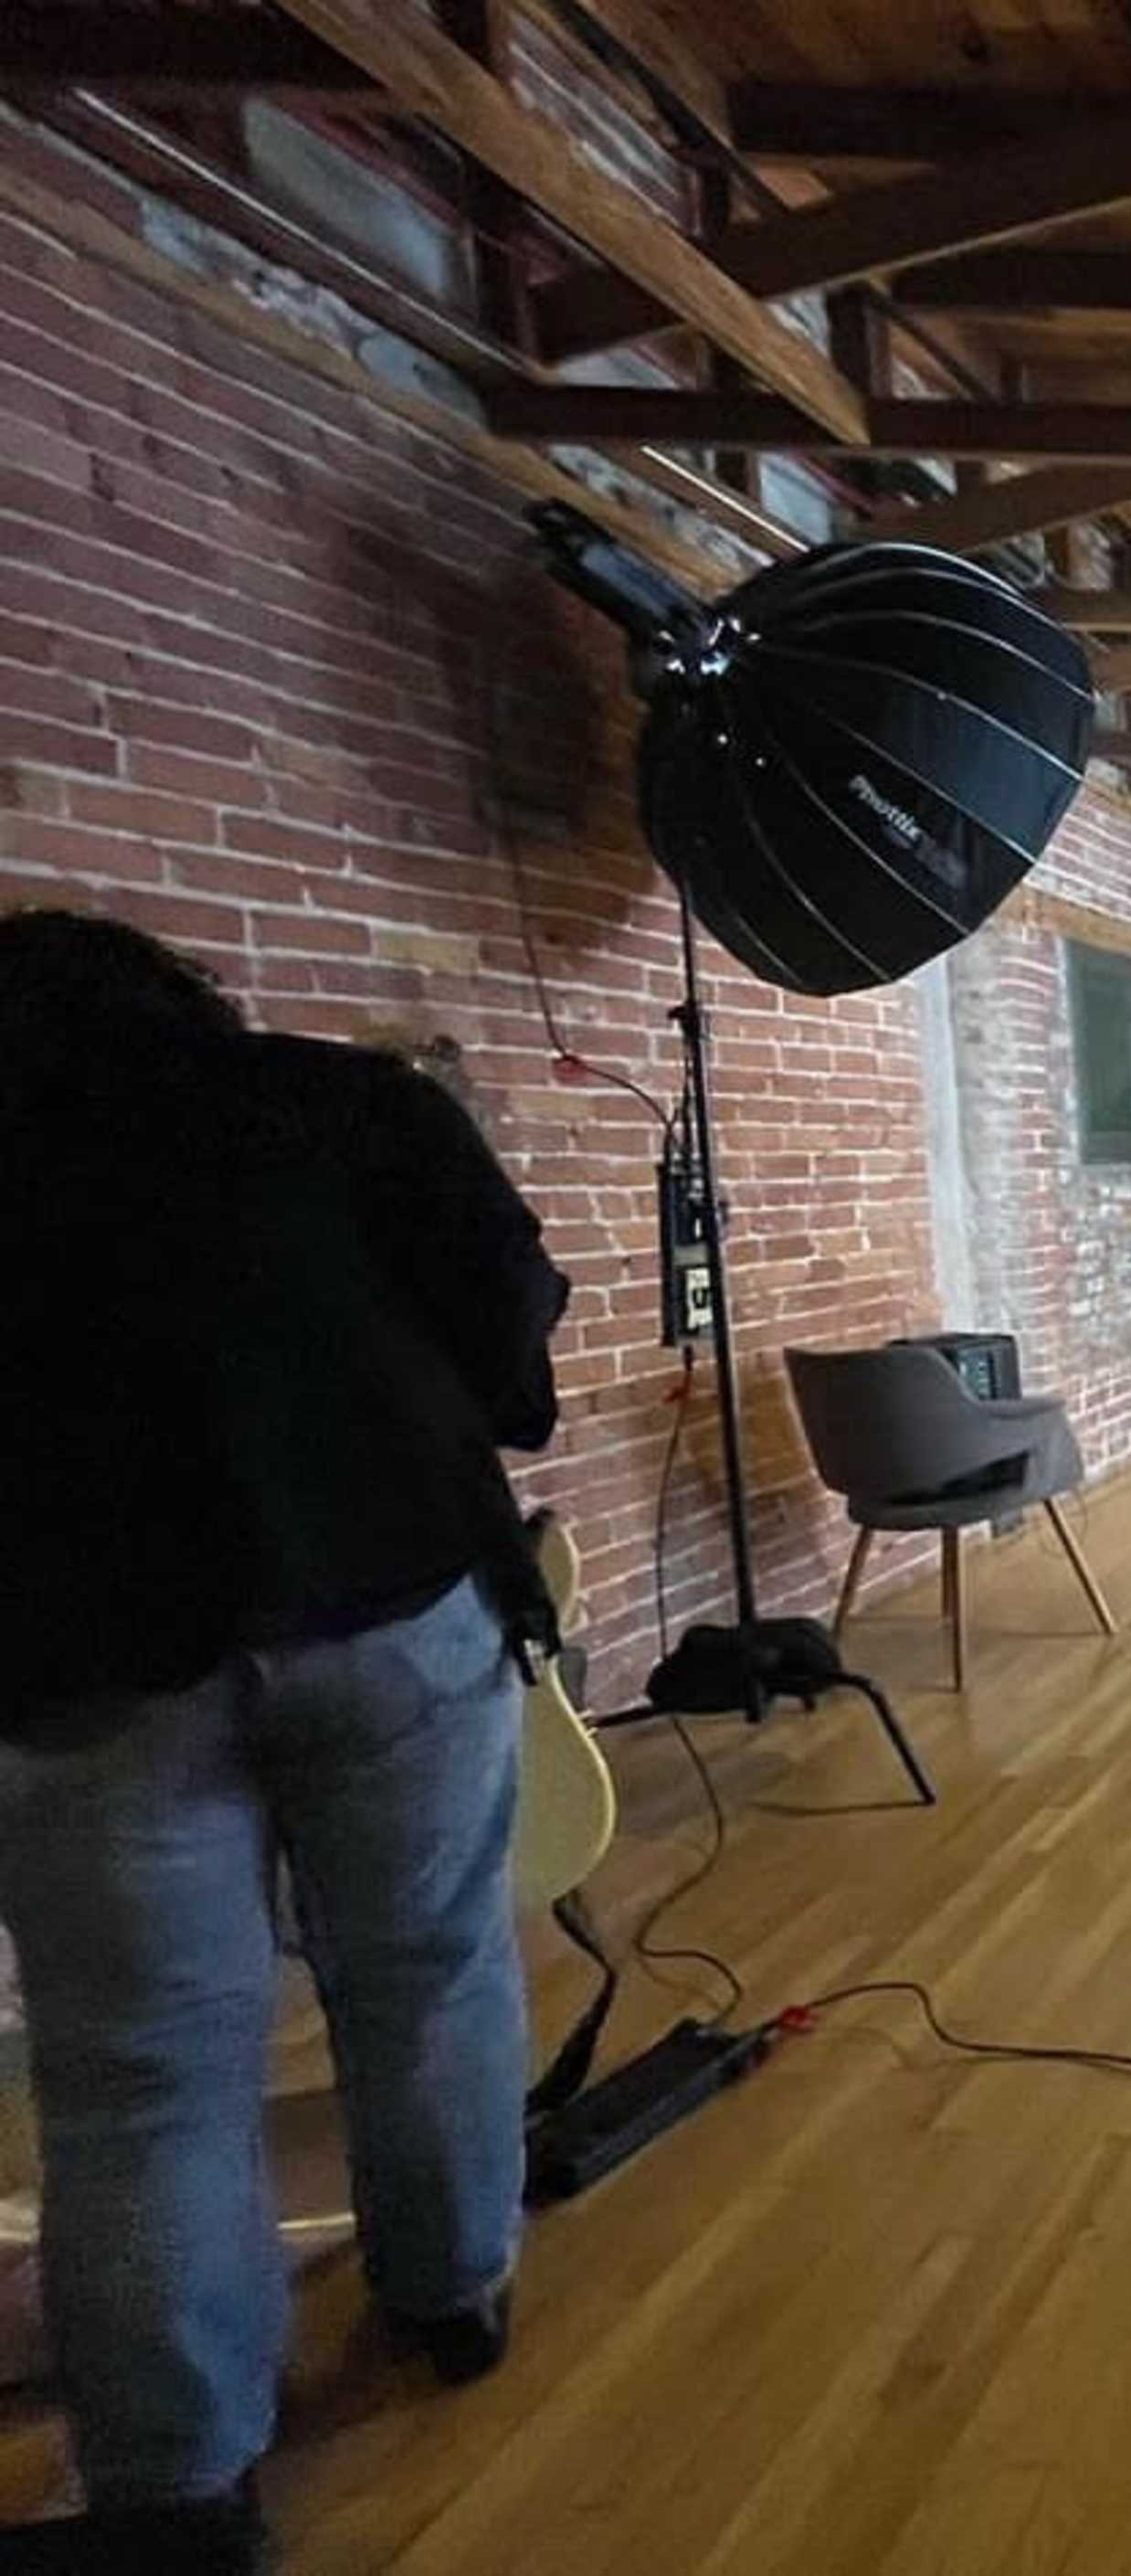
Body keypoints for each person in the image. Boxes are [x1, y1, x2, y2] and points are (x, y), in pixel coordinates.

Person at [0, 910, 570, 2572]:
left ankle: (178, 2490)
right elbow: (509, 1344)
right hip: (387, 1604)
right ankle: (451, 2288)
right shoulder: (340, 1106)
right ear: (190, 997)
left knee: (136, 2080)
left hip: (83, 1667)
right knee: (433, 1967)